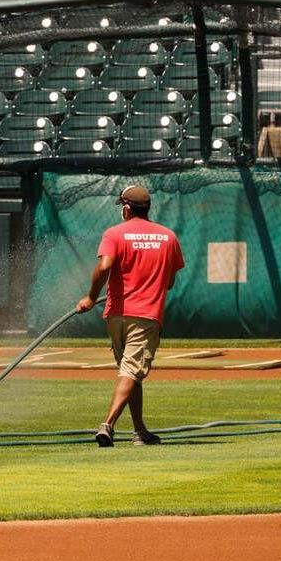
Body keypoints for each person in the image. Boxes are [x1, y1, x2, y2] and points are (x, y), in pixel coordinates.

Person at [75, 185, 184, 448]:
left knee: (130, 372)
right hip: (146, 315)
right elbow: (169, 282)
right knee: (132, 371)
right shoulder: (168, 237)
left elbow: (105, 266)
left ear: (126, 208)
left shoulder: (114, 234)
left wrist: (90, 296)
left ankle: (139, 431)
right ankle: (108, 425)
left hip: (116, 315)